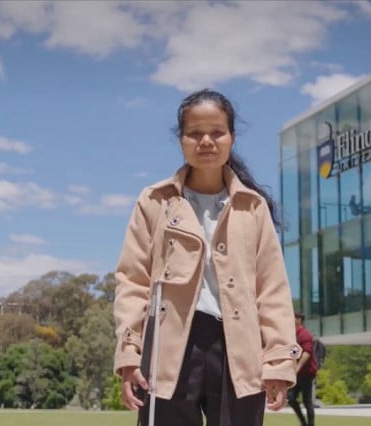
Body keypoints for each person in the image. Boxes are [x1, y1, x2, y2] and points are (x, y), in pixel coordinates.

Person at [113, 88, 300, 426]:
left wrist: (277, 361)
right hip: (167, 352)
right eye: (194, 133)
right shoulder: (154, 201)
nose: (206, 141)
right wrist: (129, 353)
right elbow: (132, 282)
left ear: (231, 137)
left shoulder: (253, 208)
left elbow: (272, 291)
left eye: (217, 132)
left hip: (238, 352)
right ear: (181, 140)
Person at [288, 312, 317, 426]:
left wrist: (297, 368)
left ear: (299, 320)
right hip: (298, 374)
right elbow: (294, 352)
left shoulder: (305, 334)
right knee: (290, 398)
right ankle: (304, 423)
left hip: (307, 373)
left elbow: (307, 352)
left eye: (293, 318)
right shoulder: (295, 334)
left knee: (307, 402)